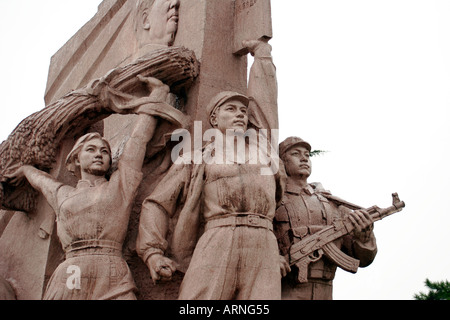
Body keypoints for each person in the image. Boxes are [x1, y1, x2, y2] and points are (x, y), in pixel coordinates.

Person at [136, 39, 290, 300]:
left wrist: (262, 57)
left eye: (243, 110)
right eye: (231, 109)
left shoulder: (264, 151)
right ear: (214, 119)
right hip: (218, 236)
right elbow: (157, 203)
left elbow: (264, 105)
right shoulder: (196, 158)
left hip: (263, 241)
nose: (240, 114)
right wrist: (152, 252)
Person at [6, 77, 183, 300]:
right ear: (76, 160)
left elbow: (138, 141)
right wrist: (21, 170)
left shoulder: (121, 185)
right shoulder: (62, 194)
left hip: (112, 271)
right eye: (90, 149)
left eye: (104, 151)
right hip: (71, 273)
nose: (99, 154)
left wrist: (158, 94)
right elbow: (38, 178)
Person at [274, 137, 378, 300]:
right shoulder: (273, 200)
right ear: (281, 162)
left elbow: (362, 259)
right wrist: (270, 259)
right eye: (296, 154)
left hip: (326, 290)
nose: (304, 158)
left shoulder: (331, 204)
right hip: (286, 290)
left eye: (307, 155)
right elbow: (256, 236)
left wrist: (364, 238)